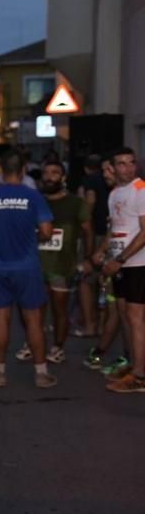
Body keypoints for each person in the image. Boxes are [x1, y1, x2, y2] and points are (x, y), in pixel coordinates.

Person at [0, 151, 56, 388]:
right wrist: (31, 238)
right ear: (24, 170)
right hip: (27, 266)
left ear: (0, 170)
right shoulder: (33, 196)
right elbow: (47, 231)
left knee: (0, 319)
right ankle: (41, 374)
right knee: (34, 320)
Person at [15, 161, 91, 365]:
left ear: (63, 178)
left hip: (62, 267)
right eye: (46, 173)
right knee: (32, 309)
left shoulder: (75, 203)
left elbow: (87, 231)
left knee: (60, 310)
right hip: (34, 265)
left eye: (55, 173)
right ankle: (32, 343)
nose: (49, 177)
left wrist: (88, 259)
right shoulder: (34, 201)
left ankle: (58, 348)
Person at [94, 147, 145, 393]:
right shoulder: (115, 193)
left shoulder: (141, 190)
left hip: (138, 263)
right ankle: (135, 365)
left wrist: (121, 259)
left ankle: (140, 376)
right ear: (113, 168)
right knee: (125, 314)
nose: (127, 168)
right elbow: (115, 229)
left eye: (130, 163)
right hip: (121, 264)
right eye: (121, 164)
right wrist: (103, 252)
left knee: (136, 318)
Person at [77, 155, 110, 337]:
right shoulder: (112, 183)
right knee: (104, 281)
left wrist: (83, 222)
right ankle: (103, 326)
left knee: (86, 278)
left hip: (96, 233)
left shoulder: (90, 180)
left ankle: (90, 325)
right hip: (110, 234)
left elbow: (89, 201)